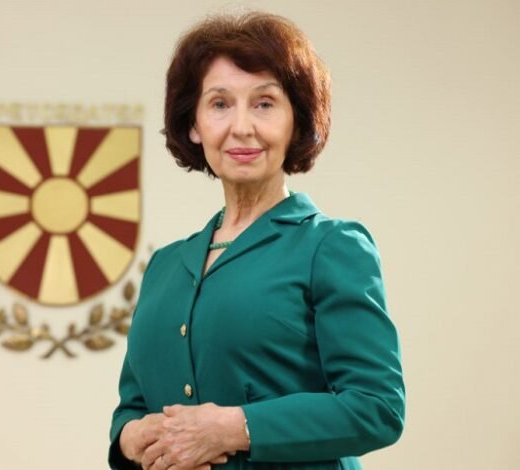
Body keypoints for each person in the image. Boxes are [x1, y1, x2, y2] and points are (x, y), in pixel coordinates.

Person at [108, 12, 405, 470]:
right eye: (219, 104)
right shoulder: (164, 266)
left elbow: (377, 407)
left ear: (296, 121)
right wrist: (130, 437)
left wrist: (233, 428)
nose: (242, 126)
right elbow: (131, 407)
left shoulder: (332, 246)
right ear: (193, 124)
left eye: (264, 104)